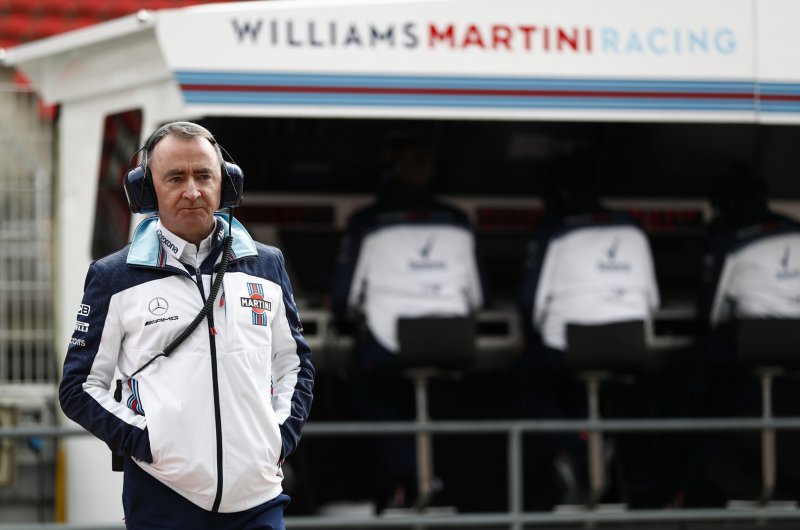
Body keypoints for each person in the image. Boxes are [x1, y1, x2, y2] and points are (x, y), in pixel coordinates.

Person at [59, 121, 315, 529]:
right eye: (176, 178)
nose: (192, 191)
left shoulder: (267, 264)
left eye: (204, 176)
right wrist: (147, 443)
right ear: (147, 190)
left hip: (259, 497)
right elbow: (78, 388)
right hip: (163, 497)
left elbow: (294, 365)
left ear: (226, 184)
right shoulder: (113, 277)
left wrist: (277, 438)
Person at [331, 134, 485, 511]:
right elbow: (480, 297)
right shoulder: (458, 221)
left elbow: (344, 299)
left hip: (390, 346)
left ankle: (408, 478)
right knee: (451, 396)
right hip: (454, 343)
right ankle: (442, 482)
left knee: (363, 384)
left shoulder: (368, 222)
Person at [516, 158, 660, 507]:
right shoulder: (632, 228)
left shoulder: (554, 228)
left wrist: (532, 334)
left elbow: (530, 302)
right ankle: (595, 449)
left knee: (520, 376)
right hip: (629, 345)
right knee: (587, 385)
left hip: (569, 348)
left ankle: (577, 446)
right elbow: (653, 301)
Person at [678, 161, 800, 505]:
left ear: (721, 202)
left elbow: (711, 311)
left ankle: (684, 488)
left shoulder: (726, 235)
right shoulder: (794, 227)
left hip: (754, 342)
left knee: (696, 387)